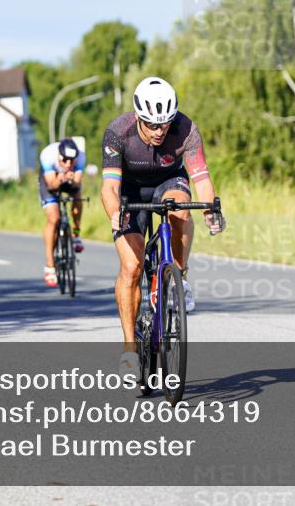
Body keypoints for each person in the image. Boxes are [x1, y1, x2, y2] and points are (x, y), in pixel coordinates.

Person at [100, 77, 225, 377]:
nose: (159, 131)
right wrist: (115, 213)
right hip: (129, 190)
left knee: (181, 209)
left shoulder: (186, 129)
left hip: (169, 181)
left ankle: (177, 277)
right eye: (152, 125)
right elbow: (109, 188)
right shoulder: (118, 132)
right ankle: (130, 347)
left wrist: (210, 209)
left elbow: (202, 181)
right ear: (138, 117)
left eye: (165, 124)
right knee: (131, 266)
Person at [38, 138, 85, 287]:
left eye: (72, 161)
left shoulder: (81, 157)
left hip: (67, 180)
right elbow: (51, 185)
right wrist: (61, 177)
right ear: (59, 156)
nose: (68, 164)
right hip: (50, 181)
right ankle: (50, 266)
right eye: (64, 160)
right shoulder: (47, 155)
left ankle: (76, 234)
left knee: (78, 198)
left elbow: (77, 182)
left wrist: (71, 179)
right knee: (54, 218)